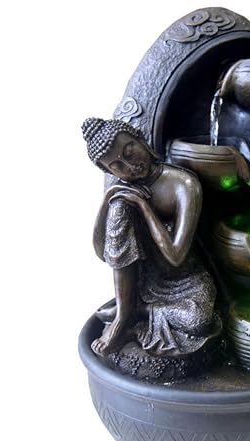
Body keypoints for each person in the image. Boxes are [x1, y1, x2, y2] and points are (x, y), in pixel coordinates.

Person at [82, 118, 216, 357]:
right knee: (119, 207)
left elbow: (176, 256)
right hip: (147, 282)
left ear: (141, 139)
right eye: (117, 166)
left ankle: (139, 311)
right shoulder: (123, 194)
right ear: (110, 171)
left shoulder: (183, 184)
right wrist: (108, 198)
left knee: (199, 320)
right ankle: (123, 317)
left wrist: (144, 206)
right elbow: (102, 253)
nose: (130, 167)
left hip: (187, 282)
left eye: (129, 152)